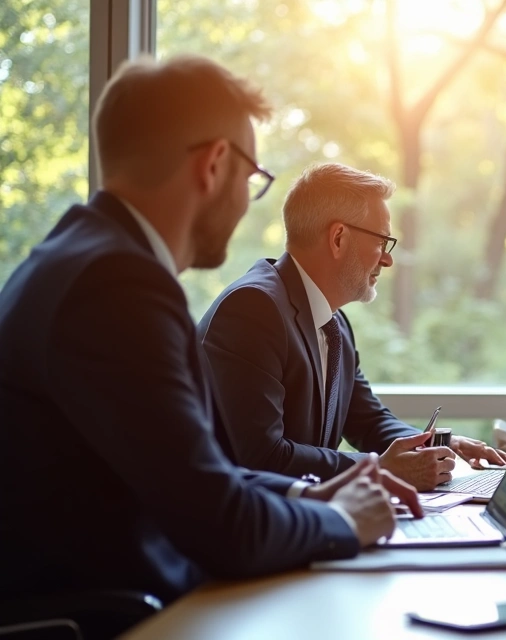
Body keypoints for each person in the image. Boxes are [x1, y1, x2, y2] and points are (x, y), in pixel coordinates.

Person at [0, 55, 421, 611]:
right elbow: (221, 525)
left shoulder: (81, 259)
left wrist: (310, 493)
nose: (249, 200)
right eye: (253, 179)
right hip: (114, 615)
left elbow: (202, 476)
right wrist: (341, 520)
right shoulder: (117, 286)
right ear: (215, 164)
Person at [198, 163, 506, 491]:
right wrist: (379, 469)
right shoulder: (253, 309)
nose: (387, 260)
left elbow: (369, 420)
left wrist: (431, 445)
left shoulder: (334, 324)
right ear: (338, 238)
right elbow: (261, 457)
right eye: (382, 241)